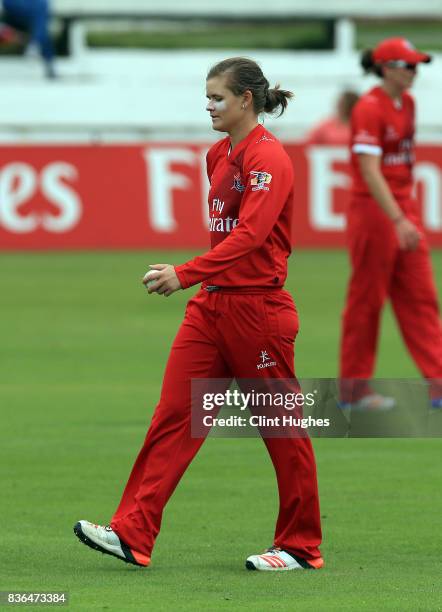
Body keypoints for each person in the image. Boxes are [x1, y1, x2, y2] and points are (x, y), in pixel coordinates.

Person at [73, 57, 323, 572]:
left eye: (217, 98)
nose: (208, 106)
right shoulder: (218, 154)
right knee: (174, 417)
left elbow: (251, 236)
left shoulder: (269, 159)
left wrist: (183, 273)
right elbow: (229, 238)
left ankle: (300, 547)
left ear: (246, 101)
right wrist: (198, 279)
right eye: (207, 97)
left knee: (281, 430)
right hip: (211, 307)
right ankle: (133, 534)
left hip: (258, 310)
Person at [339, 38, 442, 410]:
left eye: (417, 66)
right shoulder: (369, 108)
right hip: (375, 212)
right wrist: (398, 218)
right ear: (386, 68)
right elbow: (369, 170)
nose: (415, 72)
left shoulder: (408, 103)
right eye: (408, 66)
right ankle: (354, 391)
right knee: (366, 301)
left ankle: (439, 383)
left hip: (402, 208)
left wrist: (405, 214)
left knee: (421, 297)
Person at [1, 0, 56, 78]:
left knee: (41, 10)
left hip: (31, 9)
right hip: (12, 8)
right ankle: (35, 44)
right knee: (41, 14)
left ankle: (35, 44)